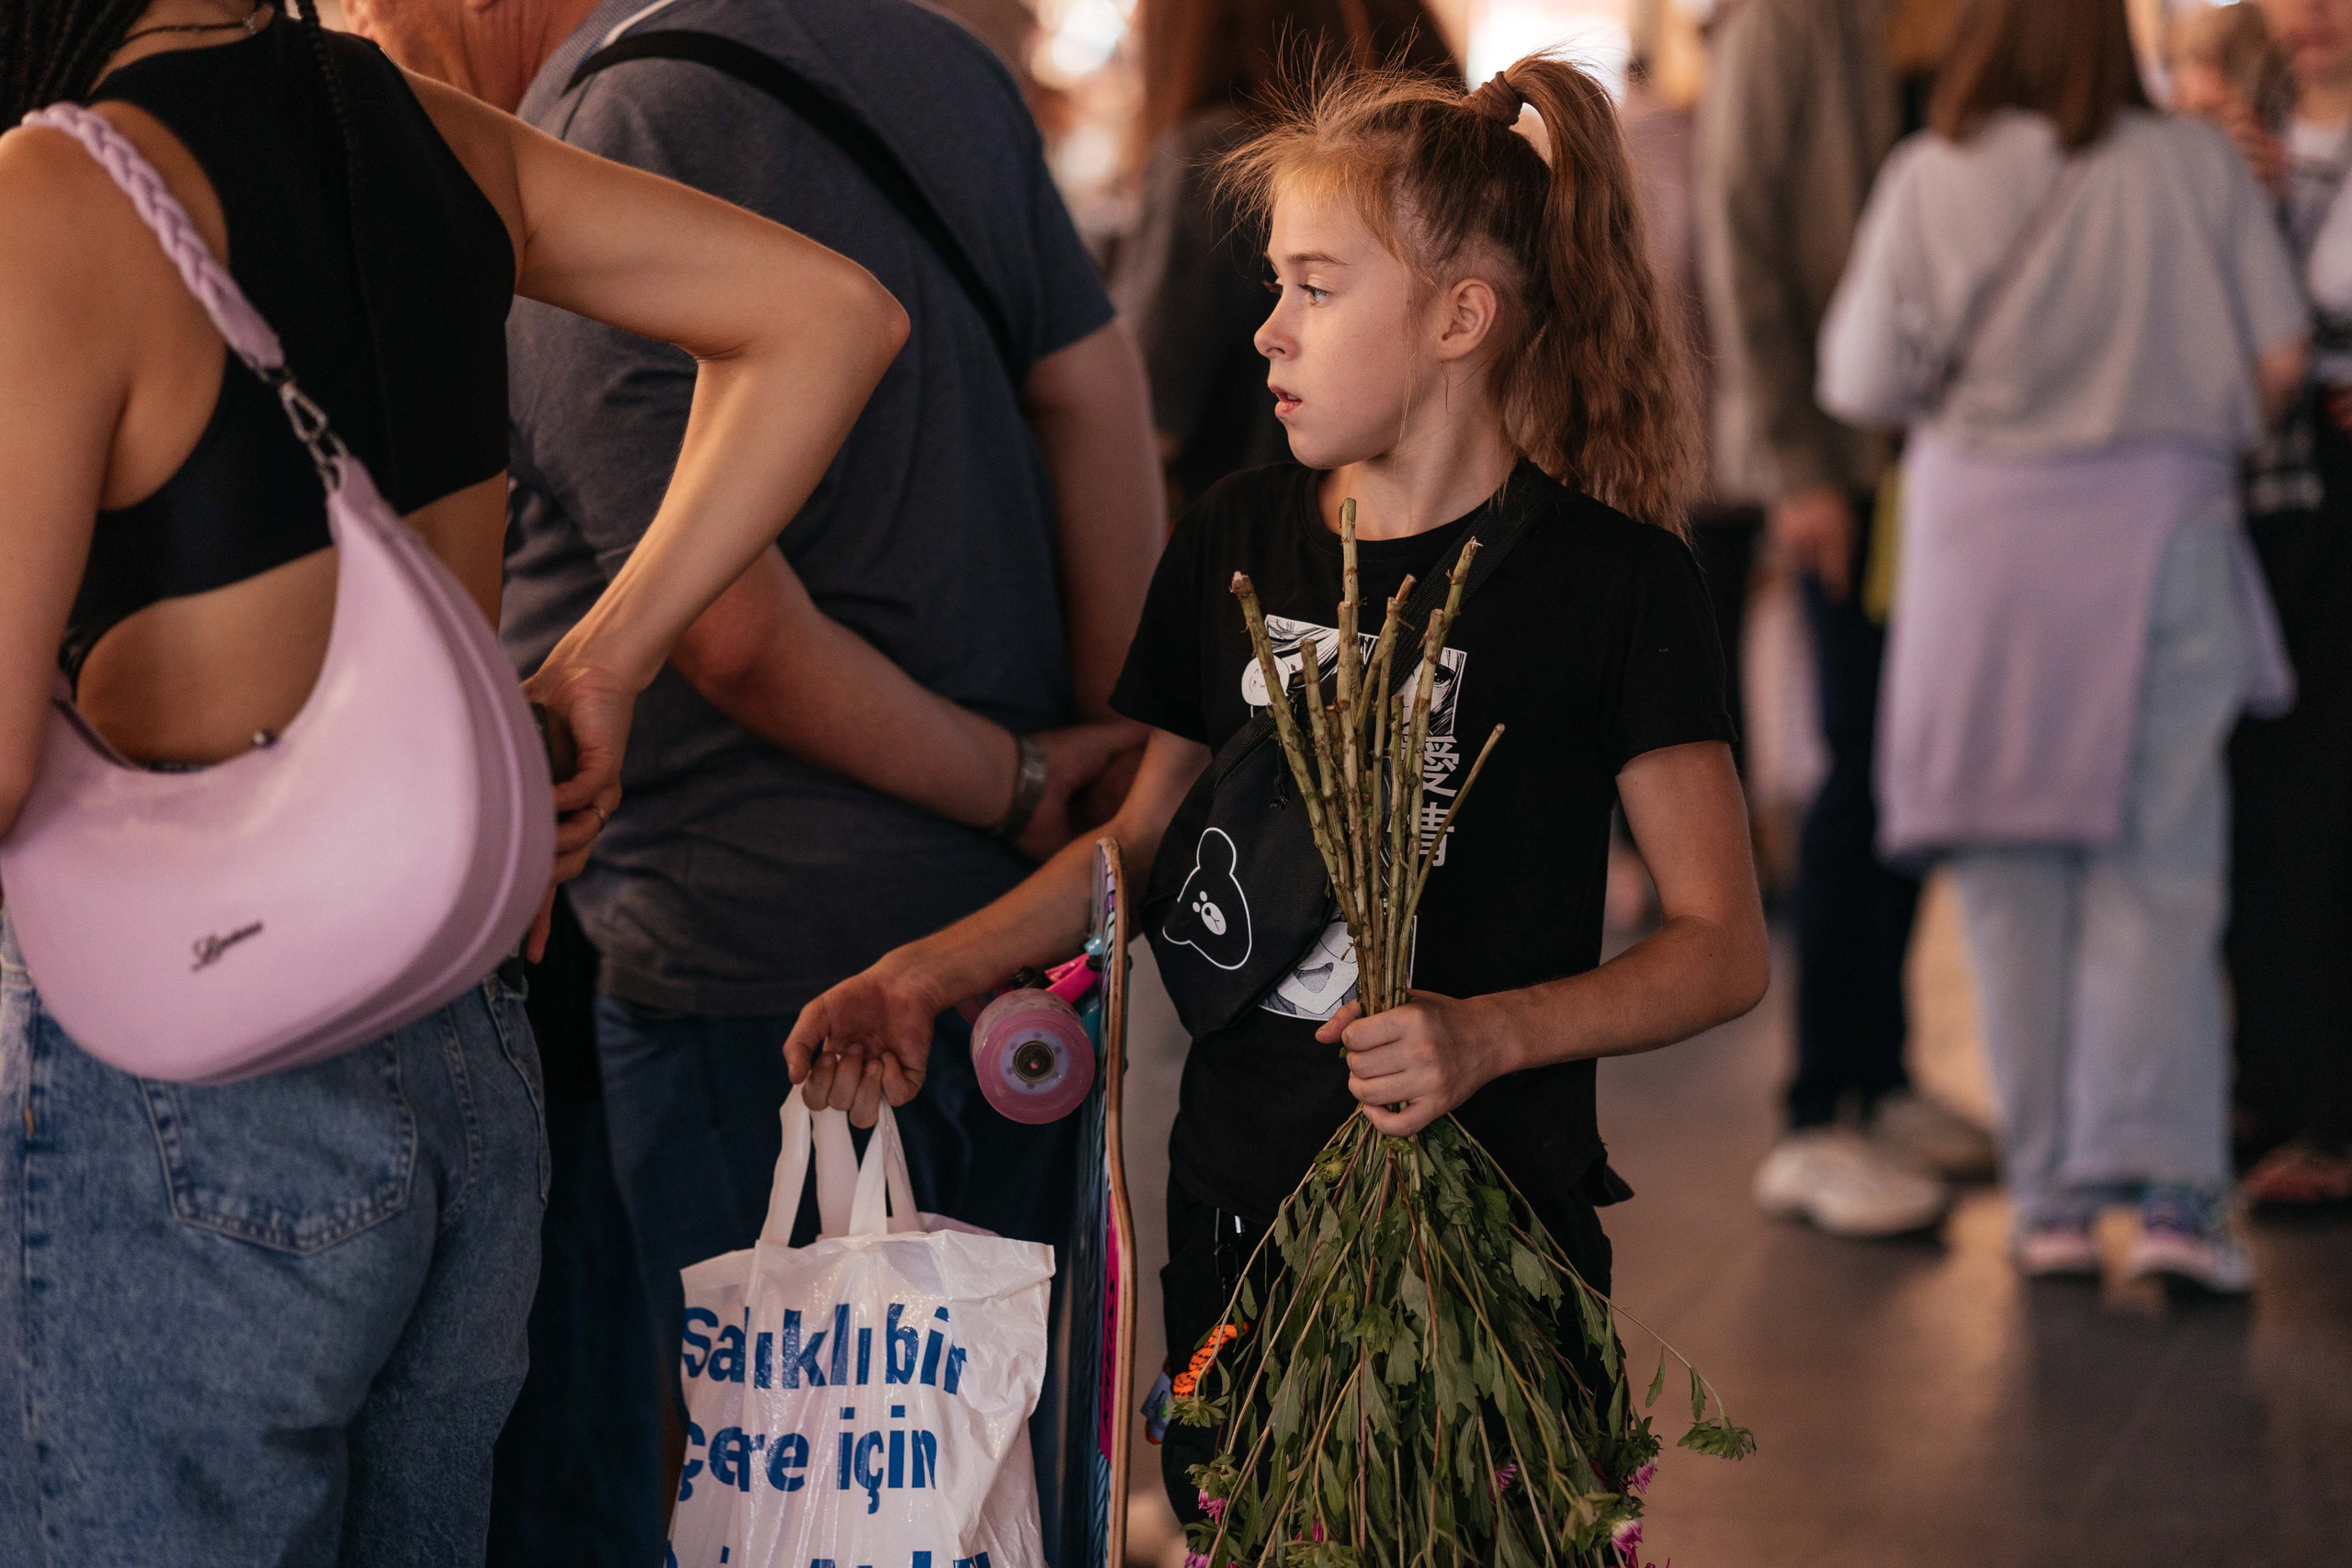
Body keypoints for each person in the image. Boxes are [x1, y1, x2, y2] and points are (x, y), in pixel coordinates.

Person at [784, 53, 1772, 1523]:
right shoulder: (1238, 538)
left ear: (1458, 317)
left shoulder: (1616, 585)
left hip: (1494, 1232)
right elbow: (1142, 844)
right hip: (1237, 1207)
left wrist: (1489, 1034)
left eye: (1316, 286)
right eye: (1274, 285)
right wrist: (920, 976)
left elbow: (1721, 944)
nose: (1266, 331)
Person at [0, 0, 906, 1559]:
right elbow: (829, 316)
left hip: (192, 1073)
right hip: (462, 1062)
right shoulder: (423, 129)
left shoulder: (57, 192)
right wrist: (604, 659)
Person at [354, 0, 1163, 1474]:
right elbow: (1092, 389)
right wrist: (1102, 749)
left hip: (762, 967)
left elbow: (727, 626)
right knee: (993, 1476)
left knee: (794, 1484)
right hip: (1011, 957)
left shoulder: (585, 140)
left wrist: (1027, 779)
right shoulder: (931, 54)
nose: (356, 27)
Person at [1820, 0, 2308, 1289]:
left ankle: (2046, 1200)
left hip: (1989, 570)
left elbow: (1859, 377)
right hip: (2166, 546)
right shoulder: (2195, 163)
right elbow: (2278, 360)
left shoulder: (1927, 177)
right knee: (2165, 875)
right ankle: (2178, 1200)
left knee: (2007, 883)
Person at [1697, 0, 1991, 1240]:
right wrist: (1798, 463)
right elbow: (1742, 233)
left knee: (1916, 763)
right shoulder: (1786, 16)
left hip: (1947, 458)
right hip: (1847, 454)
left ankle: (1880, 1072)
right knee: (1856, 765)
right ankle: (1817, 1109)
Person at [2203, 0, 2352, 1209]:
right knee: (2261, 785)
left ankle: (2328, 1104)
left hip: (2334, 501)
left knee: (2325, 789)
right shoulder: (2240, 128)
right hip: (2255, 497)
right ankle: (2271, 1075)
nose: (2309, 15)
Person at [1112, 0, 1459, 514]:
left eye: (1315, 289)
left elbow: (1142, 423)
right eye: (1277, 285)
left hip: (1261, 541)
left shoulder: (1213, 154)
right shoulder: (1446, 157)